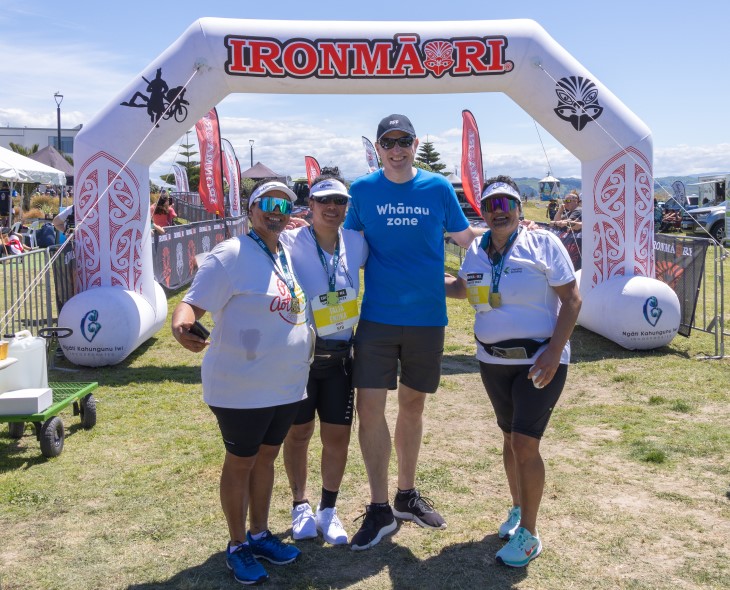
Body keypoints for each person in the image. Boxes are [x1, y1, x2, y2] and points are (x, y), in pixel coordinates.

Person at [343, 114, 480, 551]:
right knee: (369, 409)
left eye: (404, 142)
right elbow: (342, 248)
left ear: (415, 144)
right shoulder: (362, 191)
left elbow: (464, 238)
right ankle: (379, 506)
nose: (397, 150)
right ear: (378, 148)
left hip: (426, 319)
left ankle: (405, 495)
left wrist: (510, 228)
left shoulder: (438, 188)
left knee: (413, 406)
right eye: (389, 142)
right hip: (377, 318)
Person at [171, 180, 311, 585]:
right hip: (241, 387)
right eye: (266, 203)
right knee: (242, 462)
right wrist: (182, 328)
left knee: (265, 458)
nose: (276, 210)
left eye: (284, 205)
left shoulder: (282, 250)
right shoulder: (231, 253)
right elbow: (190, 303)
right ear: (250, 210)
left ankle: (260, 533)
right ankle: (237, 545)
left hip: (284, 384)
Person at [445, 175, 582, 568]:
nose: (498, 212)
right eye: (491, 206)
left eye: (506, 204)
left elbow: (571, 301)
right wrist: (430, 281)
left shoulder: (544, 243)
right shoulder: (475, 251)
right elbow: (466, 290)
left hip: (538, 360)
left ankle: (530, 534)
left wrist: (555, 351)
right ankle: (519, 509)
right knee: (508, 440)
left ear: (519, 210)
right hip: (492, 362)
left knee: (525, 444)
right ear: (483, 212)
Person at [279, 174, 368, 546]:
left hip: (341, 359)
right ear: (310, 205)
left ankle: (328, 510)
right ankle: (300, 505)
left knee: (338, 437)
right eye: (324, 201)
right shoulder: (287, 239)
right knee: (298, 434)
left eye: (340, 201)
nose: (333, 208)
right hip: (301, 357)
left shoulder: (359, 242)